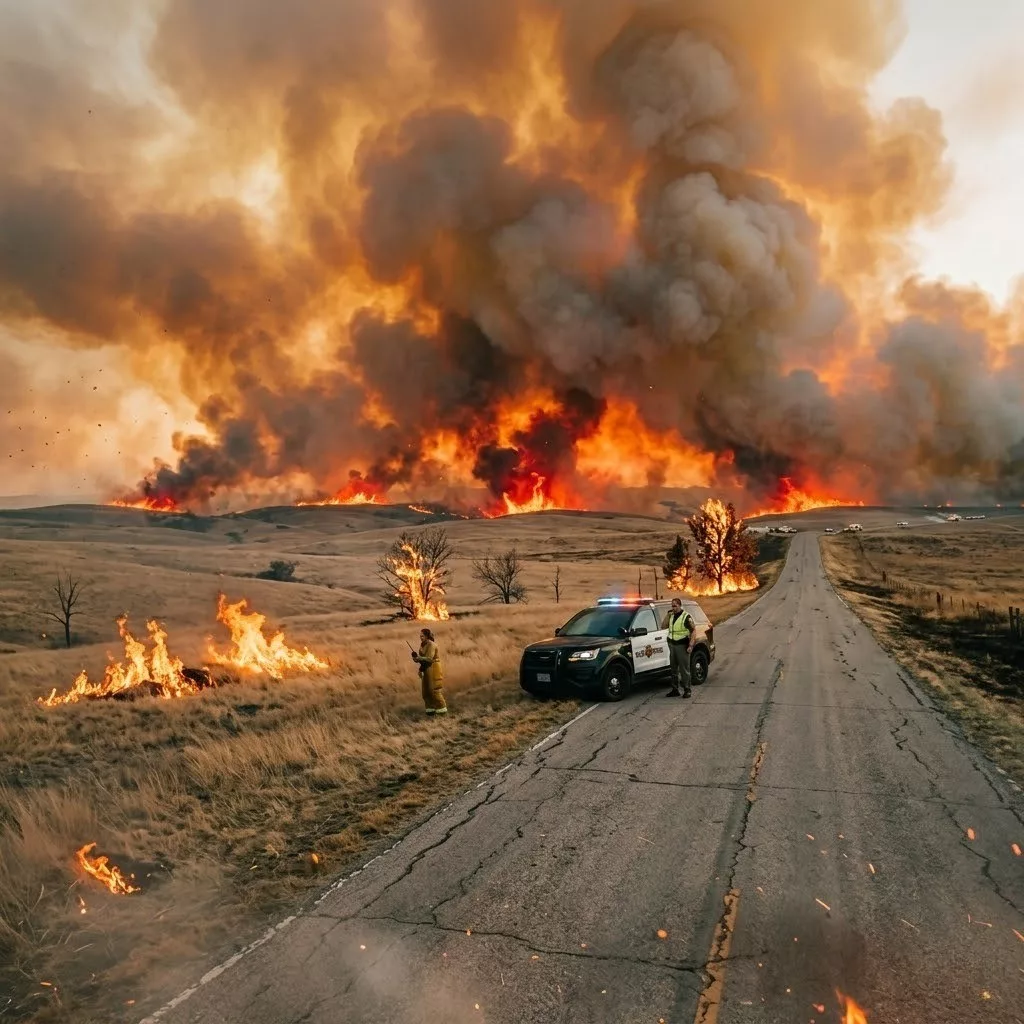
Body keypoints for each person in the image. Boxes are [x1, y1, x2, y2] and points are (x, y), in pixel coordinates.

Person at [661, 597, 695, 698]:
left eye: (675, 606)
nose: (673, 608)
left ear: (680, 606)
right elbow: (663, 626)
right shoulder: (671, 616)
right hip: (672, 645)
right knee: (673, 669)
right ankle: (675, 689)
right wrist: (668, 615)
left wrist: (691, 645)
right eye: (672, 606)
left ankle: (687, 689)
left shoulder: (686, 617)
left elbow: (693, 631)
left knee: (684, 669)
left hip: (682, 646)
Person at [411, 627, 447, 715]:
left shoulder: (432, 645)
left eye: (422, 636)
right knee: (426, 691)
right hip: (426, 668)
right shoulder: (422, 644)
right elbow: (423, 659)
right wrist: (416, 659)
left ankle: (442, 710)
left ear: (427, 636)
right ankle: (430, 710)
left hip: (434, 668)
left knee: (434, 690)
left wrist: (419, 658)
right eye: (420, 636)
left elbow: (430, 659)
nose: (421, 637)